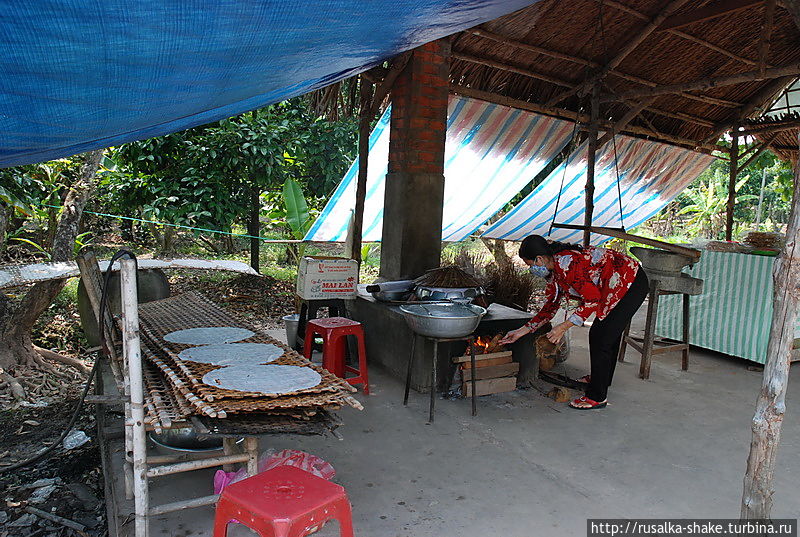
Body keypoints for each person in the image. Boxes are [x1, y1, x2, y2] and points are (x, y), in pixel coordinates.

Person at [499, 235, 648, 410]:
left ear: (539, 259)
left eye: (530, 265)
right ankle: (601, 379)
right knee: (606, 333)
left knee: (601, 335)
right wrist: (521, 331)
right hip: (615, 284)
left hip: (630, 282)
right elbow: (550, 308)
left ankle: (597, 397)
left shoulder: (568, 265)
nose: (531, 269)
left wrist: (563, 327)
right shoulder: (554, 272)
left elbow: (592, 300)